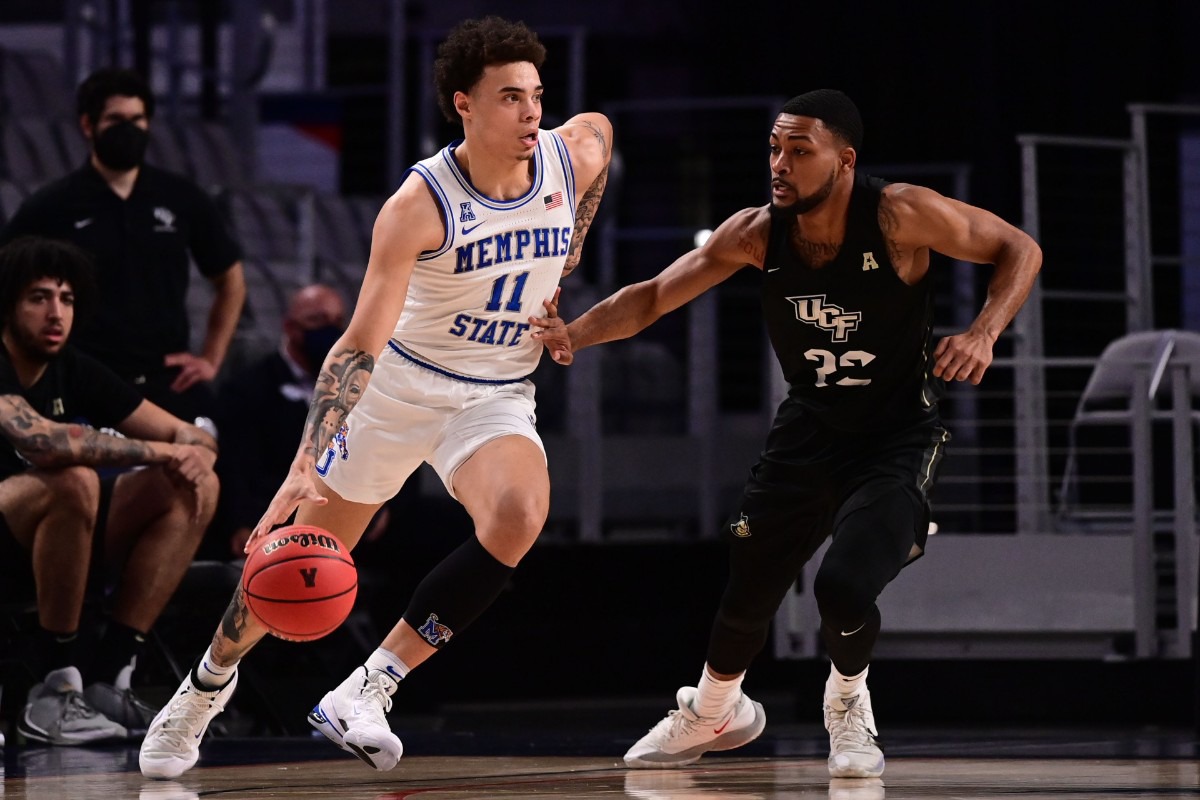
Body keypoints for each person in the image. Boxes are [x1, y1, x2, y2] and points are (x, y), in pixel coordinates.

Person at [138, 15, 612, 779]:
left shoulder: (570, 152)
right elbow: (357, 343)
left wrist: (572, 252)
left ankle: (368, 686)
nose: (532, 114)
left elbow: (601, 133)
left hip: (493, 393)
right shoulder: (419, 204)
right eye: (510, 99)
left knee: (521, 516)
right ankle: (201, 691)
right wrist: (304, 459)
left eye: (536, 96)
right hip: (398, 391)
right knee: (292, 562)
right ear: (464, 104)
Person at [531, 89, 1042, 778]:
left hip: (896, 435)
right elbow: (653, 295)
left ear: (845, 159)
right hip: (808, 431)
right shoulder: (756, 232)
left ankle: (848, 704)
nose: (780, 163)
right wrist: (572, 335)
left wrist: (984, 332)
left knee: (842, 587)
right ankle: (715, 709)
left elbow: (1020, 247)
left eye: (800, 151)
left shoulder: (898, 213)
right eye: (775, 147)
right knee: (748, 586)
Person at [0, 236, 220, 745]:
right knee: (73, 480)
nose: (56, 313)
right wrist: (171, 452)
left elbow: (191, 435)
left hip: (49, 542)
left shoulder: (71, 367)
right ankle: (54, 688)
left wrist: (195, 457)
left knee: (184, 486)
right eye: (38, 298)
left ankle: (109, 676)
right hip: (10, 531)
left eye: (67, 299)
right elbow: (43, 441)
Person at [0, 67, 246, 422]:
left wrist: (211, 357)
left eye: (138, 119)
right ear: (88, 125)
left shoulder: (181, 197)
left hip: (166, 379)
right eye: (116, 119)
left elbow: (231, 280)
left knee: (203, 466)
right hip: (83, 378)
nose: (129, 129)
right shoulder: (52, 204)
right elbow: (8, 279)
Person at [211, 283, 350, 557]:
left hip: (341, 505)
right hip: (276, 509)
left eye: (338, 321)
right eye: (318, 320)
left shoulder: (355, 383)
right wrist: (242, 522)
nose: (331, 330)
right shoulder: (247, 388)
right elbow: (235, 464)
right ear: (290, 327)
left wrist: (389, 509)